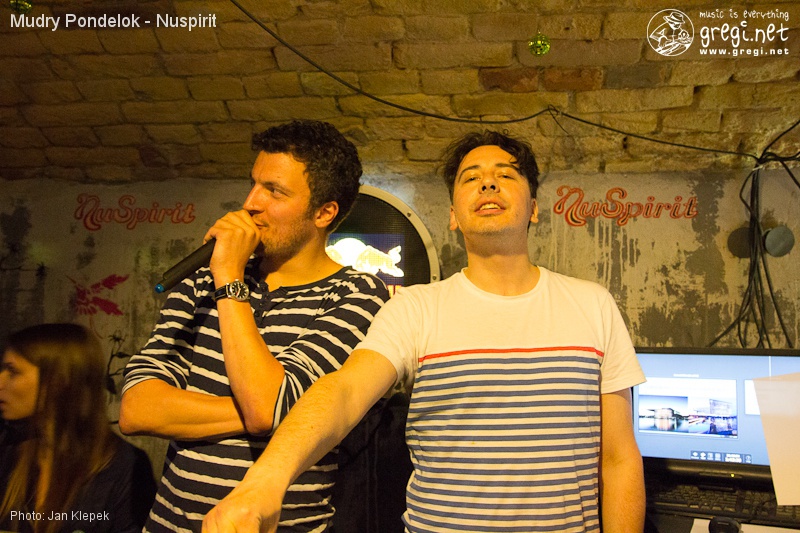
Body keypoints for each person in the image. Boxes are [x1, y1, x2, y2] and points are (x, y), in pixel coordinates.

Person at [202, 130, 647, 533]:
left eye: (505, 175)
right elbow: (343, 393)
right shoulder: (416, 308)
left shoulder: (593, 305)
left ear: (533, 209)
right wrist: (263, 483)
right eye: (471, 177)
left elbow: (619, 457)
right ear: (453, 215)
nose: (488, 184)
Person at [119, 119, 390, 532]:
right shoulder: (203, 279)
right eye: (254, 184)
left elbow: (265, 402)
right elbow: (137, 409)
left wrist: (229, 281)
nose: (250, 203)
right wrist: (278, 413)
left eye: (274, 191)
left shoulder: (357, 293)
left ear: (324, 212)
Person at [0, 323, 156, 533]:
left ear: (57, 380)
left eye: (13, 372)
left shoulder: (123, 467)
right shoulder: (9, 449)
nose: (1, 382)